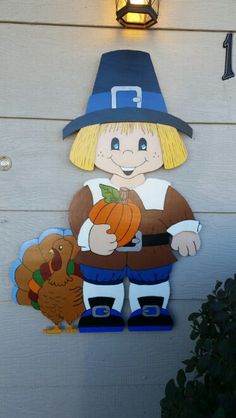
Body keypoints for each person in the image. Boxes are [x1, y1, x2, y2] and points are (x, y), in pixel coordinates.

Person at [63, 50, 201, 332]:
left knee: (151, 283)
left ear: (165, 145)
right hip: (104, 257)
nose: (127, 153)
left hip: (151, 256)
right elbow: (79, 217)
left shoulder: (162, 190)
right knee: (101, 281)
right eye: (114, 144)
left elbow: (180, 213)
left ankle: (150, 308)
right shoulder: (92, 190)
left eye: (142, 145)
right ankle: (101, 308)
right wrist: (90, 235)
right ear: (90, 144)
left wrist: (186, 230)